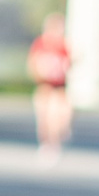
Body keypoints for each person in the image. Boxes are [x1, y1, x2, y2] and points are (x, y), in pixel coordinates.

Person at [27, 14, 73, 162]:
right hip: (44, 86)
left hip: (59, 87)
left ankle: (57, 140)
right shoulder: (40, 44)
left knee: (61, 116)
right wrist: (41, 70)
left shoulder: (64, 45)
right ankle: (46, 143)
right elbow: (32, 64)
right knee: (44, 117)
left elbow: (71, 62)